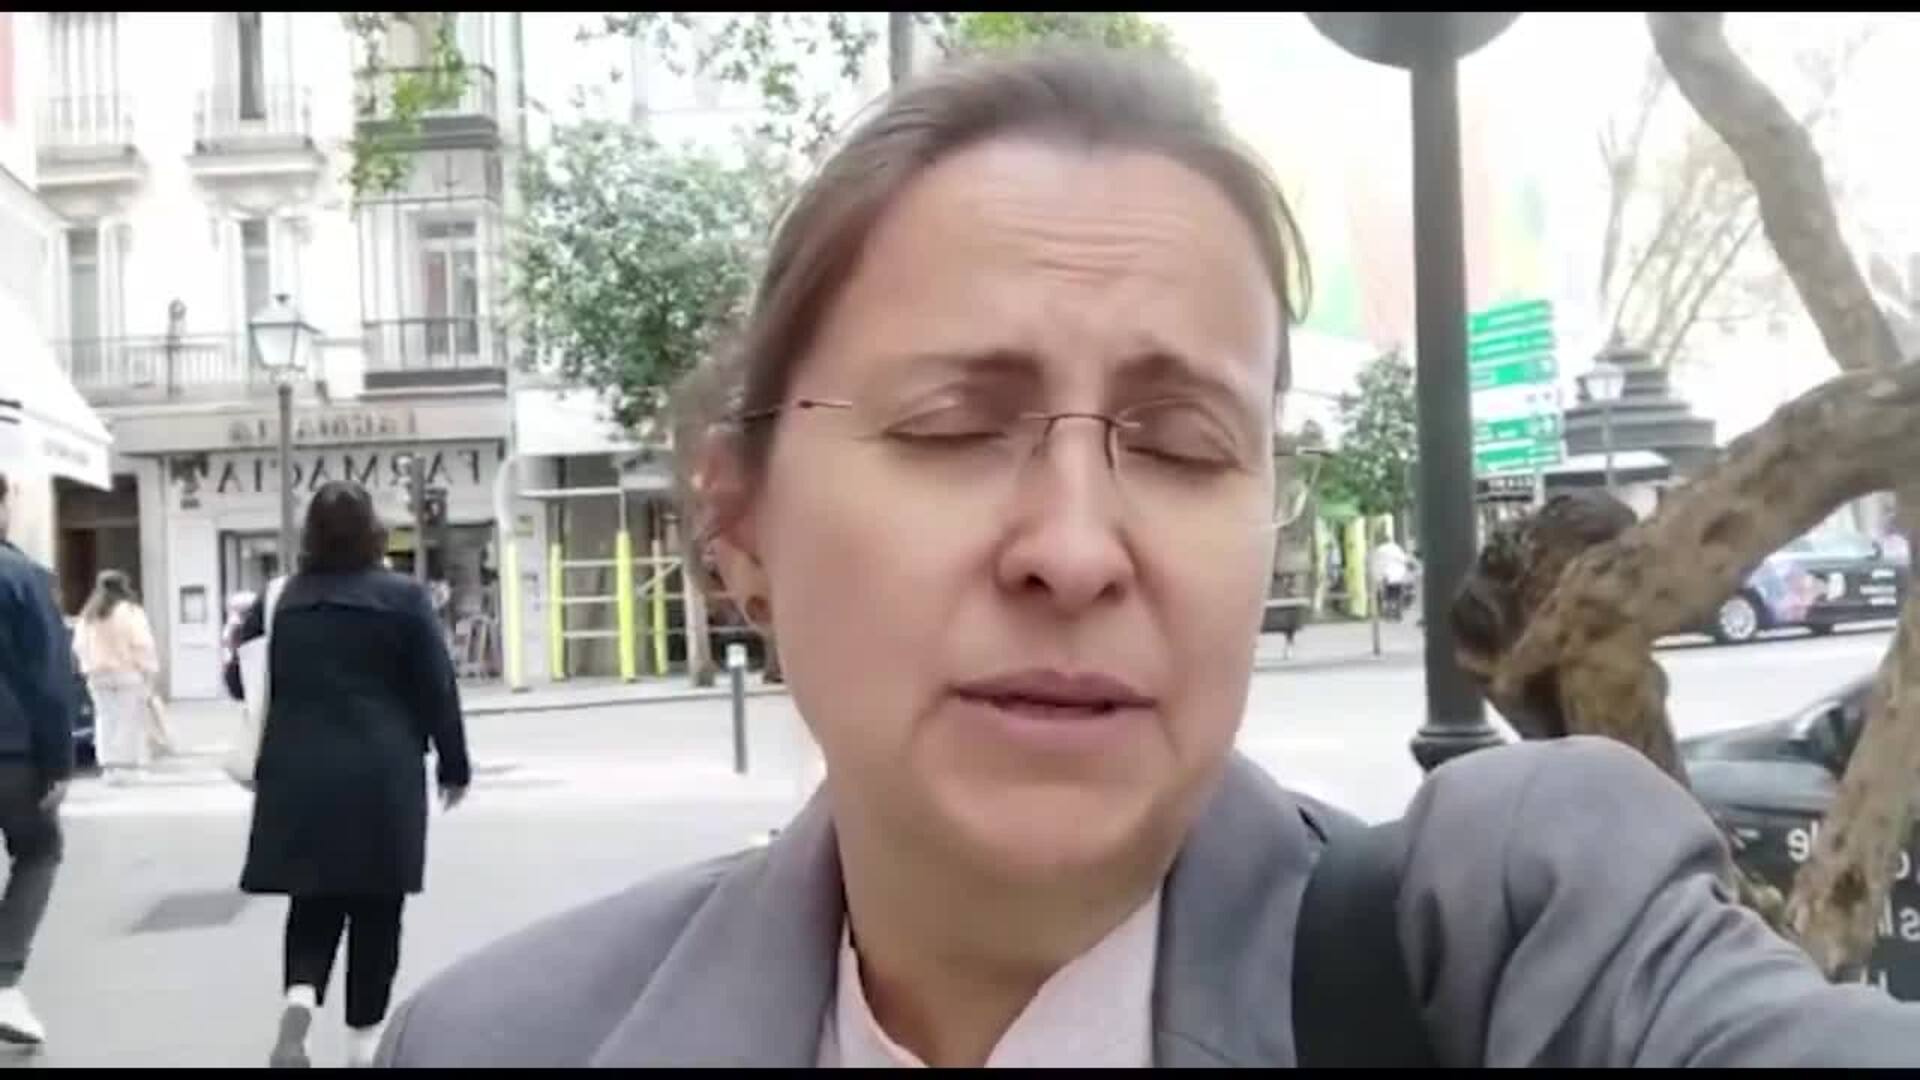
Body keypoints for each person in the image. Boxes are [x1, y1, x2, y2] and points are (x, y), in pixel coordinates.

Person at [376, 48, 1920, 1067]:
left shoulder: (1506, 957)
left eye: (1182, 446)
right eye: (952, 426)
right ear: (739, 525)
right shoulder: (502, 1042)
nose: (1073, 549)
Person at [225, 481, 471, 1068]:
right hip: (382, 772)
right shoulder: (403, 598)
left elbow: (239, 680)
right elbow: (436, 687)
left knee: (313, 901)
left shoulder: (279, 598)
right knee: (378, 909)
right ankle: (363, 1045)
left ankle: (299, 1006)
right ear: (373, 531)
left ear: (310, 534)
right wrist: (454, 765)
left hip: (298, 772)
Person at [0, 473, 73, 1047]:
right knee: (39, 850)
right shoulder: (21, 577)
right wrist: (58, 761)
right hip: (11, 749)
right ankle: (3, 978)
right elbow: (48, 677)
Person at [71, 570, 159, 784]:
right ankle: (127, 768)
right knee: (128, 721)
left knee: (104, 719)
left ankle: (108, 767)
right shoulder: (130, 612)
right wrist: (149, 670)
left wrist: (88, 666)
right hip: (127, 673)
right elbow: (142, 644)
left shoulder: (88, 615)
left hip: (97, 675)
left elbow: (79, 645)